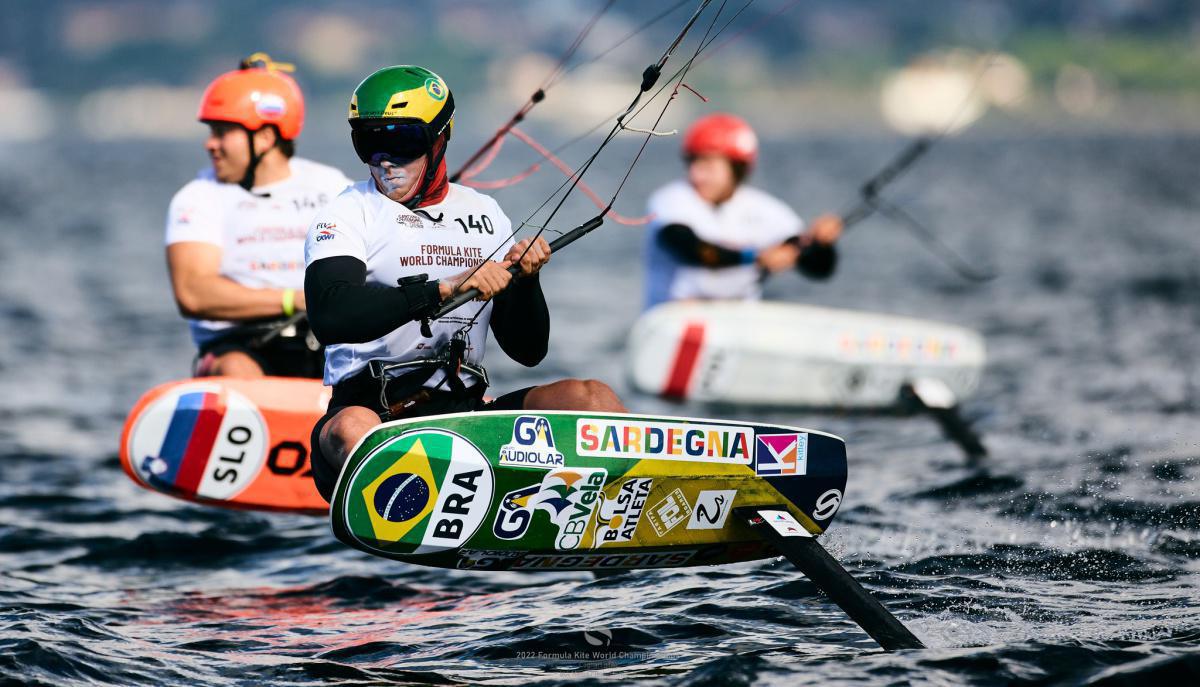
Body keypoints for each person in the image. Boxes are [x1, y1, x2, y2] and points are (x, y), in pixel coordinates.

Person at [303, 65, 626, 502]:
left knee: (593, 397)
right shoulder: (346, 212)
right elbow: (331, 315)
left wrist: (527, 281)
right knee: (350, 427)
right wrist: (442, 288)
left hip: (466, 413)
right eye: (369, 142)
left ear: (440, 138)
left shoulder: (485, 214)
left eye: (401, 142)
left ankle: (636, 496)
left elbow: (528, 352)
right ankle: (412, 497)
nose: (385, 160)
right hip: (373, 411)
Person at [165, 53, 353, 378]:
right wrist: (295, 300)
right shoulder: (196, 197)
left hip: (326, 341)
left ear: (265, 137)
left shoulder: (333, 186)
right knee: (238, 368)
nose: (210, 144)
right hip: (239, 345)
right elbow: (193, 293)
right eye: (211, 131)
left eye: (222, 131)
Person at [644, 113, 844, 310]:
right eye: (693, 163)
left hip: (737, 323)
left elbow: (819, 268)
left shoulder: (765, 209)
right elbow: (688, 248)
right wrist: (756, 258)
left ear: (737, 169)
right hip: (673, 319)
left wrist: (821, 244)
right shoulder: (671, 199)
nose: (697, 174)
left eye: (708, 165)